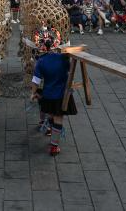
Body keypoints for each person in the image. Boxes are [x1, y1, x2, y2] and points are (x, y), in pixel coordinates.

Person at [30, 27, 76, 157]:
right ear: (56, 42)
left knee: (51, 113)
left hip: (48, 94)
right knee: (58, 118)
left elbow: (36, 80)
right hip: (62, 94)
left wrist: (33, 93)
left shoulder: (41, 62)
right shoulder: (64, 58)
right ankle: (54, 146)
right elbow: (71, 71)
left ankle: (50, 128)